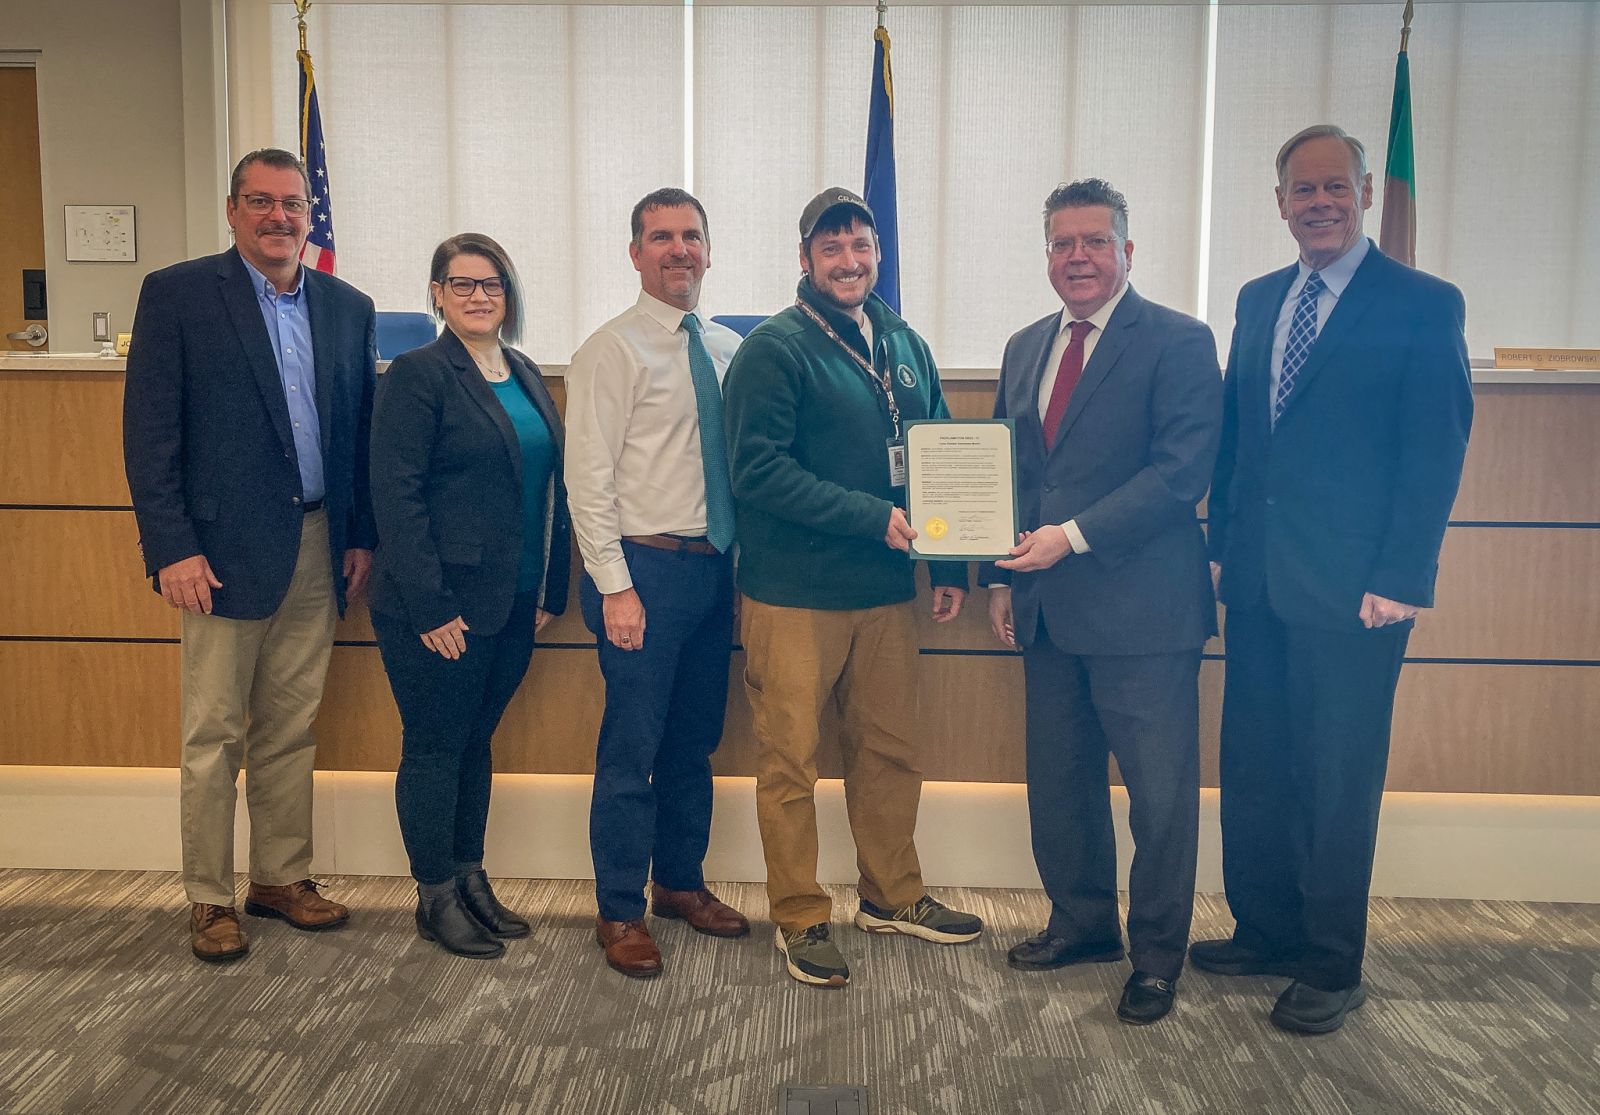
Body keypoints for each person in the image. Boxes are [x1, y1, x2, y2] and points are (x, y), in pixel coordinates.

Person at [1195, 125, 1473, 1033]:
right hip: (1262, 584)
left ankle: (1330, 960)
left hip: (1360, 592)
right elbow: (1242, 434)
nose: (1318, 202)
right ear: (1278, 202)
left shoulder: (1422, 303)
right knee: (1259, 763)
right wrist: (1223, 544)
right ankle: (1266, 929)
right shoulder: (1258, 297)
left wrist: (1403, 574)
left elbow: (1434, 446)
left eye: (1334, 187)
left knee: (1336, 773)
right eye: (1300, 189)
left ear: (1362, 195)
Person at [723, 187, 983, 989]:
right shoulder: (774, 348)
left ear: (878, 253)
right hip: (794, 596)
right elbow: (757, 470)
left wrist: (945, 562)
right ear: (804, 259)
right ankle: (799, 915)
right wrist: (872, 516)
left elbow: (936, 444)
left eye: (861, 246)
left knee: (891, 749)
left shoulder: (902, 338)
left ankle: (892, 894)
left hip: (884, 595)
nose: (849, 261)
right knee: (789, 762)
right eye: (831, 248)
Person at [123, 148, 376, 962]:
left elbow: (356, 435)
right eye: (260, 202)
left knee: (292, 726)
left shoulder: (347, 305)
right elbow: (150, 434)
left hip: (316, 542)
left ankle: (280, 876)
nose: (279, 217)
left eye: (292, 203)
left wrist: (359, 533)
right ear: (232, 210)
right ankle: (208, 896)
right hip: (219, 555)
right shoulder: (180, 296)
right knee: (214, 732)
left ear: (311, 214)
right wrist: (172, 547)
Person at [980, 179, 1223, 1024]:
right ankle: (1083, 924)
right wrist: (1004, 576)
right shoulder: (1023, 347)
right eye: (1061, 243)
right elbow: (1015, 475)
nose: (1076, 257)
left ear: (1128, 249)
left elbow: (1180, 474)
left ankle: (1157, 956)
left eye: (1093, 241)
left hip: (1145, 615)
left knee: (1158, 798)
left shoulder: (1181, 342)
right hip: (1046, 609)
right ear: (1046, 253)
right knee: (1061, 784)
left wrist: (1071, 536)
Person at [368, 233, 572, 959]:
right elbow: (395, 495)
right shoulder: (418, 374)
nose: (479, 296)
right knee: (433, 746)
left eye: (492, 284)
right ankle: (433, 895)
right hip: (439, 608)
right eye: (462, 284)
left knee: (473, 743)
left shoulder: (520, 370)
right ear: (436, 293)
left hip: (513, 600)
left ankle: (469, 875)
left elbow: (549, 488)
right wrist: (430, 605)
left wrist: (550, 584)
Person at [564, 188, 750, 979]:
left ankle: (679, 880)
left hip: (713, 574)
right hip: (640, 572)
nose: (680, 249)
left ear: (710, 250)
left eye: (692, 236)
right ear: (635, 253)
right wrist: (614, 586)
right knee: (631, 748)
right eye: (661, 237)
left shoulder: (726, 348)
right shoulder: (611, 350)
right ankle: (618, 908)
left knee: (693, 742)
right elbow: (588, 478)